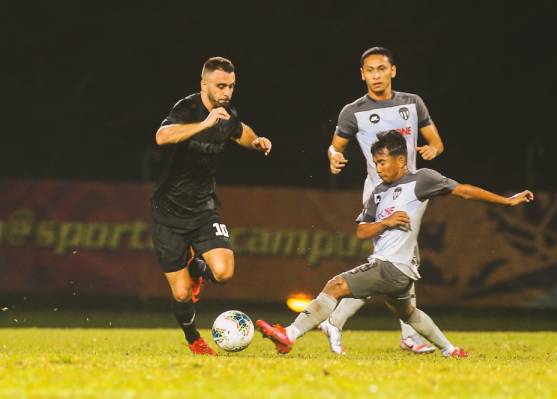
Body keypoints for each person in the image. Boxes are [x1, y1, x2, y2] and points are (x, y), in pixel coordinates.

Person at [257, 131, 533, 357]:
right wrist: (384, 224)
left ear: (401, 161)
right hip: (398, 273)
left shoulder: (421, 180)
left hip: (392, 267)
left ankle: (289, 335)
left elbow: (463, 191)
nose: (378, 168)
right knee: (409, 313)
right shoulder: (378, 193)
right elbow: (362, 233)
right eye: (375, 163)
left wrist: (506, 200)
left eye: (382, 162)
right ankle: (450, 350)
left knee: (335, 285)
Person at [323, 46, 445, 354]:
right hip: (380, 195)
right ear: (362, 75)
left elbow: (436, 142)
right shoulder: (353, 111)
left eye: (381, 69)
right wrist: (334, 158)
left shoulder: (412, 103)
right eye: (370, 70)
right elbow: (334, 147)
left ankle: (398, 333)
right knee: (391, 267)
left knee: (399, 265)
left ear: (393, 71)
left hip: (412, 194)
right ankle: (337, 321)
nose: (376, 75)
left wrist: (433, 150)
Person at [150, 56, 272, 355]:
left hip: (204, 208)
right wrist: (203, 124)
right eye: (220, 86)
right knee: (181, 294)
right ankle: (194, 339)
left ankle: (195, 265)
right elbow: (162, 136)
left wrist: (256, 142)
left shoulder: (227, 113)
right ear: (204, 84)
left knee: (224, 272)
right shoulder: (187, 108)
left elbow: (240, 131)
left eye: (231, 86)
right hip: (167, 212)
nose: (226, 92)